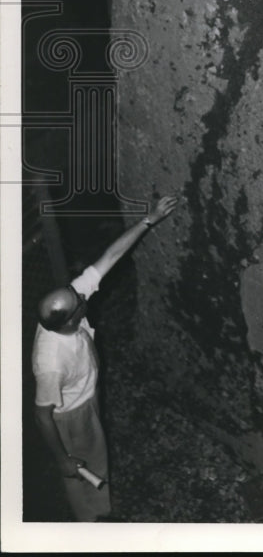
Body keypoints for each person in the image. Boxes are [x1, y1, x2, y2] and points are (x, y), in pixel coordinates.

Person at [32, 194, 178, 521]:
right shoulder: (51, 363)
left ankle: (100, 507)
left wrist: (150, 218)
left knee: (95, 455)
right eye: (77, 299)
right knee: (81, 464)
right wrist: (61, 459)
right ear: (70, 319)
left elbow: (110, 255)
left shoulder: (66, 311)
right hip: (72, 415)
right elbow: (42, 415)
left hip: (87, 394)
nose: (81, 293)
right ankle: (94, 522)